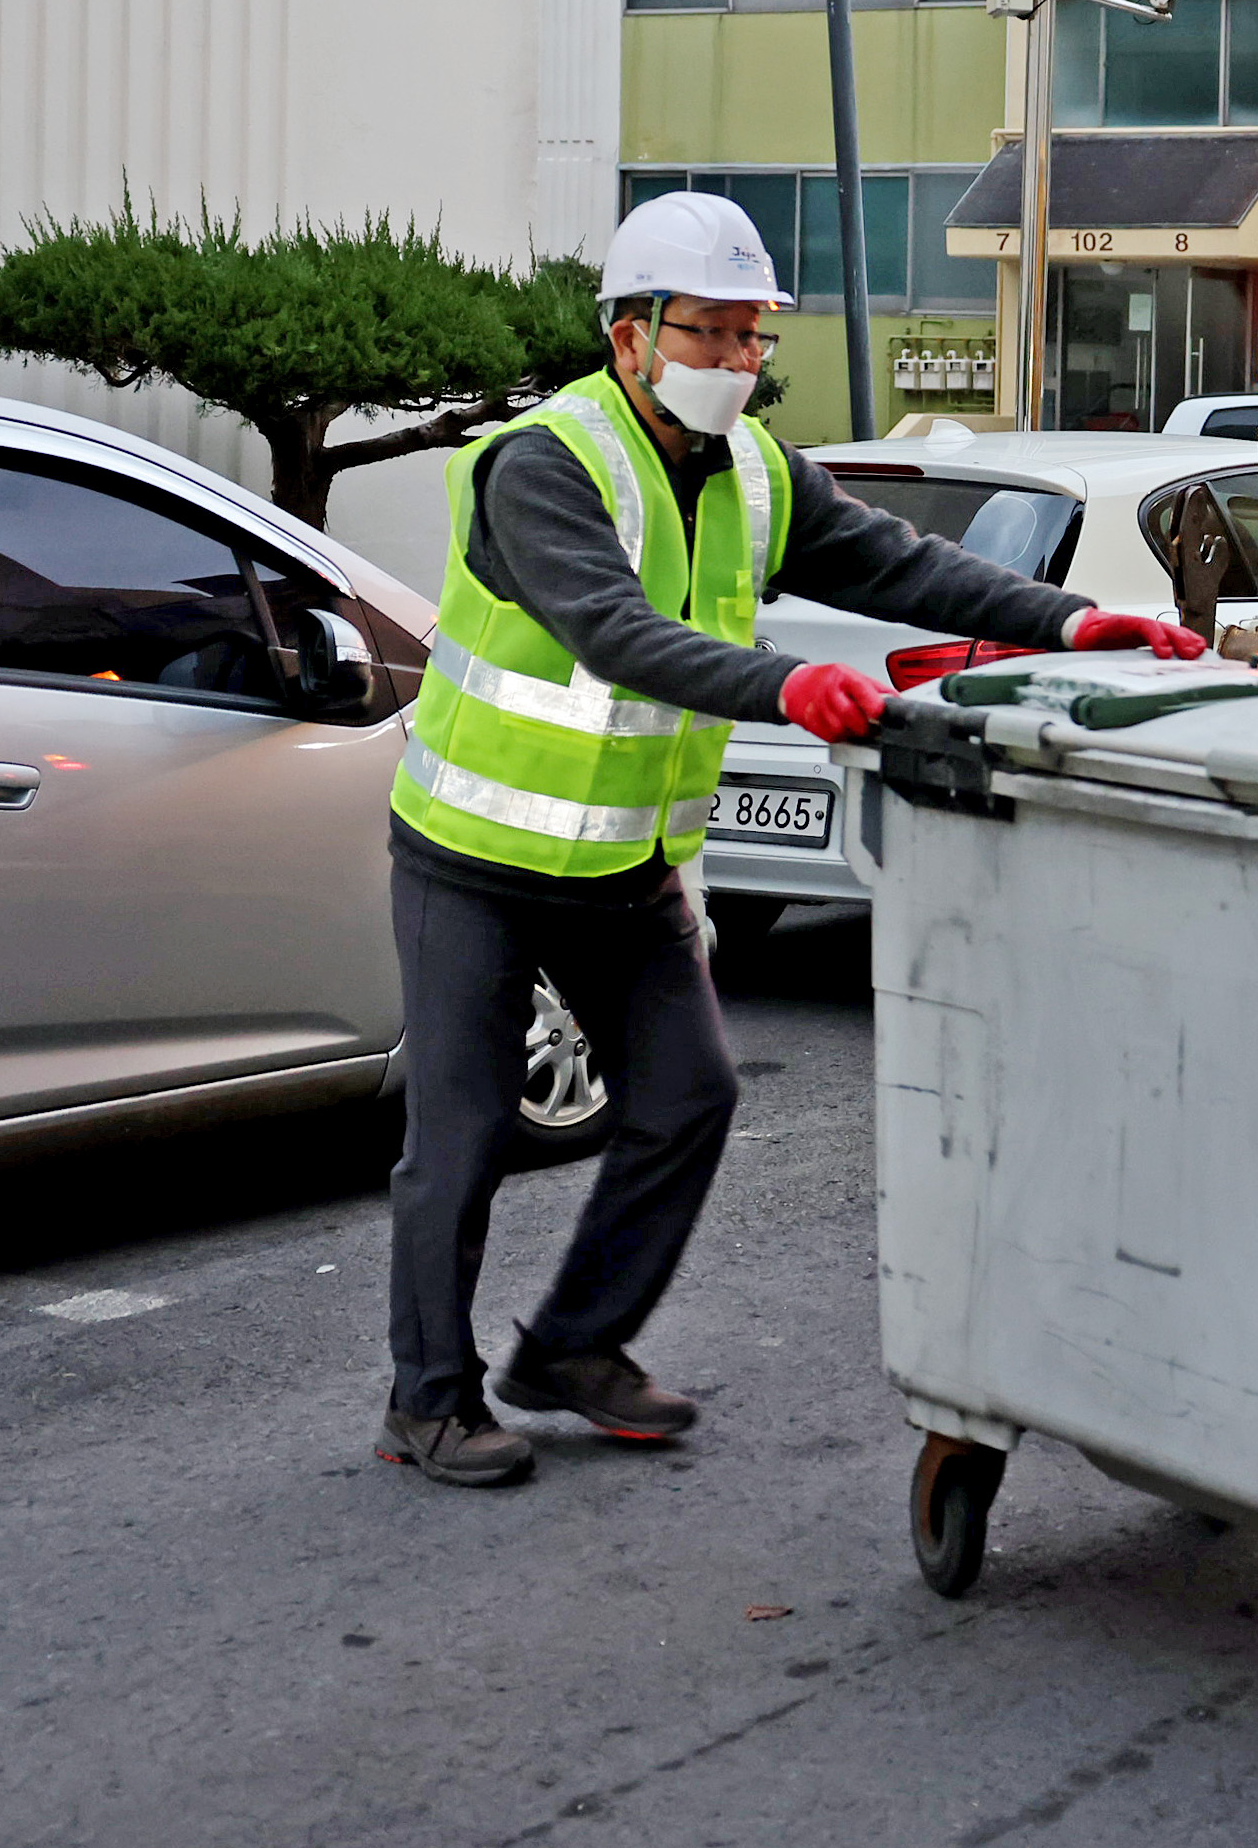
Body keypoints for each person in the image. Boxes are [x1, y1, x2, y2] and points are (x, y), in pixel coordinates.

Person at [376, 191, 1202, 1488]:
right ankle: (426, 1398)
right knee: (468, 1130)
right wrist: (787, 690)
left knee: (690, 1095)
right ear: (630, 336)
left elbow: (900, 565)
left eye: (752, 336)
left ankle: (571, 1351)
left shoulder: (757, 470)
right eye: (708, 334)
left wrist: (1072, 620)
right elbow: (612, 630)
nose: (735, 362)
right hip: (473, 853)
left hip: (623, 864)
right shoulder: (547, 464)